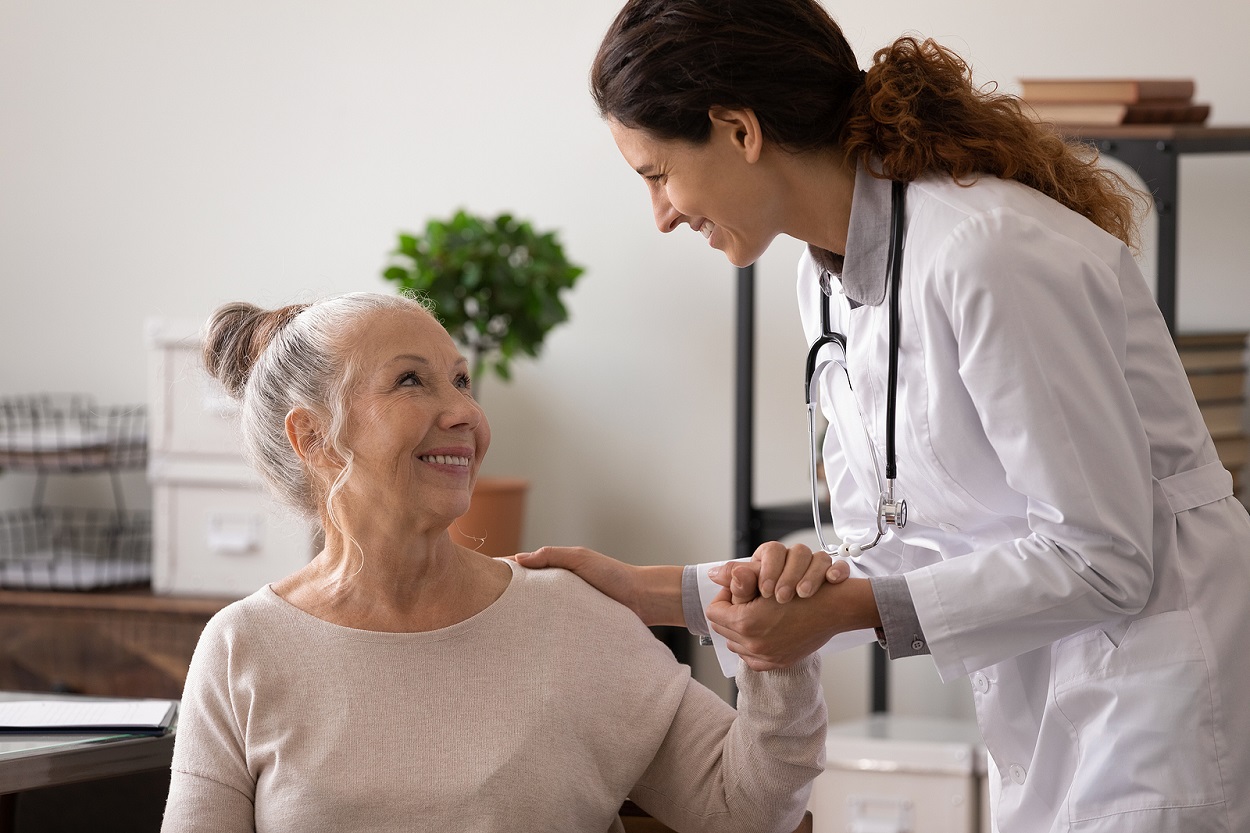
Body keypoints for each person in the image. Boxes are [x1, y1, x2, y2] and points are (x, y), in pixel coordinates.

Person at [515, 1, 1250, 831]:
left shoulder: (989, 252)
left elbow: (1107, 558)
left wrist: (849, 607)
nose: (662, 213)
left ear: (738, 129)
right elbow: (894, 543)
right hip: (1053, 703)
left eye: (656, 173)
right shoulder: (825, 281)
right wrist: (648, 592)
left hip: (1159, 700)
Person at [161, 292, 827, 833]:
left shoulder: (571, 616)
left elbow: (748, 811)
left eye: (459, 380)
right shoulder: (242, 647)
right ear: (313, 438)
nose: (464, 413)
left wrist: (779, 656)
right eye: (412, 381)